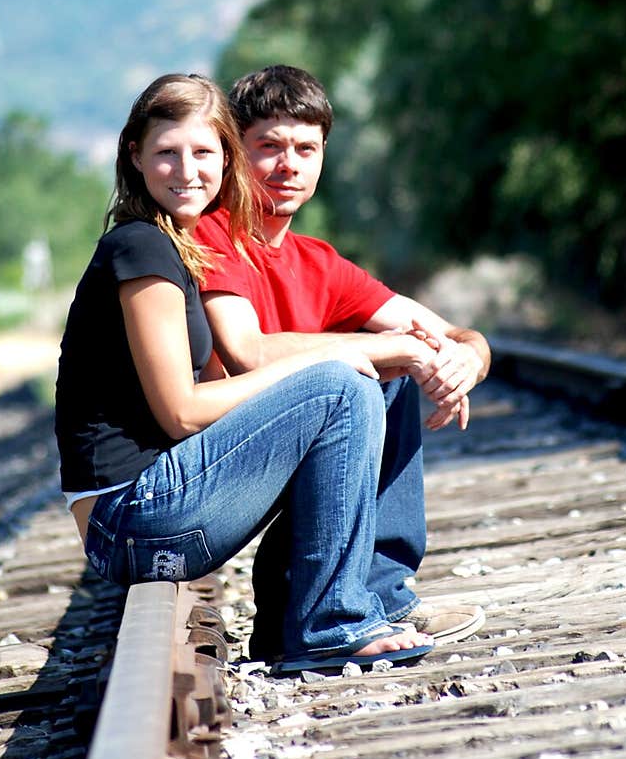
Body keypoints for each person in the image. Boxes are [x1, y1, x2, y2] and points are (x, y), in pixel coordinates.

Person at [53, 72, 436, 675]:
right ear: (135, 156)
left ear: (225, 158)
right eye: (167, 153)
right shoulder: (141, 248)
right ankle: (329, 624)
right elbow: (180, 413)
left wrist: (368, 359)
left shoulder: (179, 245)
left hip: (152, 510)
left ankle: (350, 606)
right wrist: (331, 360)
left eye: (204, 153)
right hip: (128, 518)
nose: (188, 171)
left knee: (368, 380)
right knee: (342, 382)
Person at [193, 65, 491, 661]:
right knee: (377, 368)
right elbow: (243, 351)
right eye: (269, 147)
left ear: (323, 156)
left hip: (286, 454)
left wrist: (466, 356)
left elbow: (440, 330)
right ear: (234, 153)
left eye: (306, 148)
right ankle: (348, 608)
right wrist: (388, 352)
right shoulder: (213, 233)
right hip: (215, 465)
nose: (289, 165)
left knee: (393, 369)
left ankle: (369, 597)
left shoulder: (318, 262)